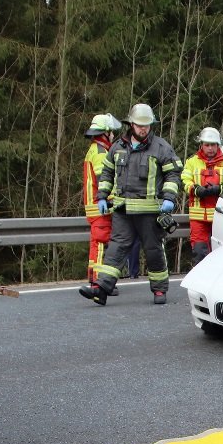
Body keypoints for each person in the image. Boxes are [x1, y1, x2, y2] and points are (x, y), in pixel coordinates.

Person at [79, 103, 181, 306]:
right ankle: (101, 289)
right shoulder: (118, 147)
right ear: (131, 124)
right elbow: (107, 173)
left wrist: (169, 198)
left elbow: (173, 173)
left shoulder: (161, 147)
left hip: (149, 211)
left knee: (153, 250)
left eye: (146, 125)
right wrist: (102, 196)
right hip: (123, 209)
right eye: (139, 125)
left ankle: (159, 289)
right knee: (116, 249)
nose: (143, 129)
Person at [181, 127, 223, 266]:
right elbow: (185, 181)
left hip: (221, 215)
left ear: (218, 145)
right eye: (207, 145)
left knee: (222, 252)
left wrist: (220, 188)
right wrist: (196, 190)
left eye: (213, 145)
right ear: (201, 145)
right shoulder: (192, 162)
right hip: (199, 217)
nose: (210, 148)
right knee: (199, 252)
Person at [82, 113, 121, 288]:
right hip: (101, 206)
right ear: (105, 133)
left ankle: (95, 279)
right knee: (100, 244)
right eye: (111, 132)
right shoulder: (100, 152)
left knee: (96, 245)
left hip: (94, 205)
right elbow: (103, 180)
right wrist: (113, 200)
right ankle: (99, 282)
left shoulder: (94, 149)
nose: (113, 135)